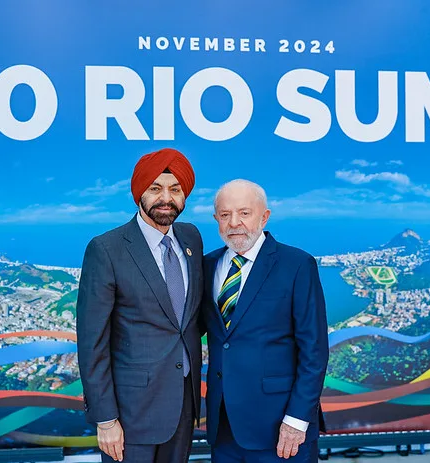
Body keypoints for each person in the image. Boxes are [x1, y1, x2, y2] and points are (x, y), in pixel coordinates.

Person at [76, 148, 204, 463]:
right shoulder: (106, 249)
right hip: (131, 414)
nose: (166, 198)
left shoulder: (191, 238)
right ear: (139, 193)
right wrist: (106, 420)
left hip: (183, 406)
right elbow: (92, 342)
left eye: (175, 189)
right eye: (156, 188)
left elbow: (188, 320)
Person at [201, 179, 329, 462]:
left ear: (264, 216)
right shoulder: (206, 266)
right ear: (216, 220)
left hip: (281, 428)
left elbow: (314, 351)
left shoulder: (297, 265)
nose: (234, 223)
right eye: (225, 215)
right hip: (223, 428)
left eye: (244, 213)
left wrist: (297, 420)